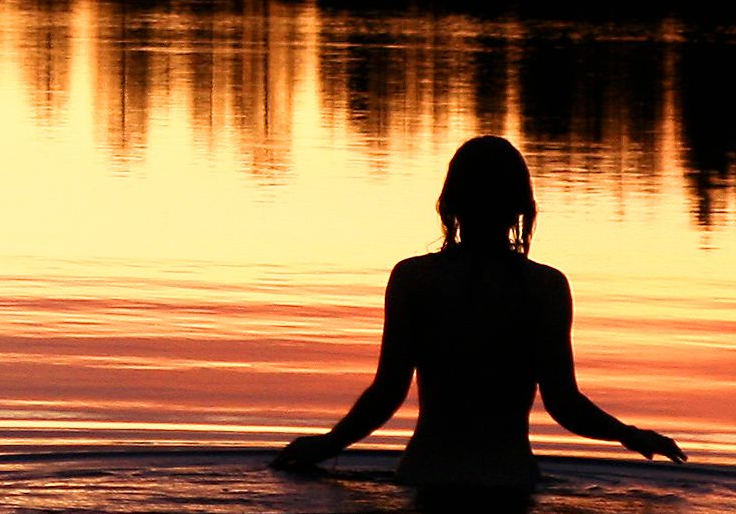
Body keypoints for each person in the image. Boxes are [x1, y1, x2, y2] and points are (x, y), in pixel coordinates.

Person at [273, 134, 688, 483]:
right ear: (521, 209)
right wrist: (631, 436)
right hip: (508, 482)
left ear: (450, 204)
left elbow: (388, 393)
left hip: (428, 475)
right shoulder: (544, 288)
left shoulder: (414, 279)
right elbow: (564, 404)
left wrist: (327, 445)